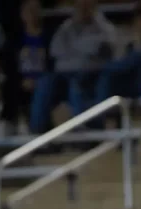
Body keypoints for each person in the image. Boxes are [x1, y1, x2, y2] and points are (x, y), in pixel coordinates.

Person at [31, 0, 118, 133]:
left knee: (75, 84)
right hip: (64, 74)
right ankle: (38, 131)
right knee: (44, 82)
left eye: (86, 5)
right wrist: (83, 50)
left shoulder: (104, 28)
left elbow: (102, 50)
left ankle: (82, 130)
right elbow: (56, 51)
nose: (83, 9)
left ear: (93, 7)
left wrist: (74, 49)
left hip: (91, 75)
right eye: (80, 5)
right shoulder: (66, 27)